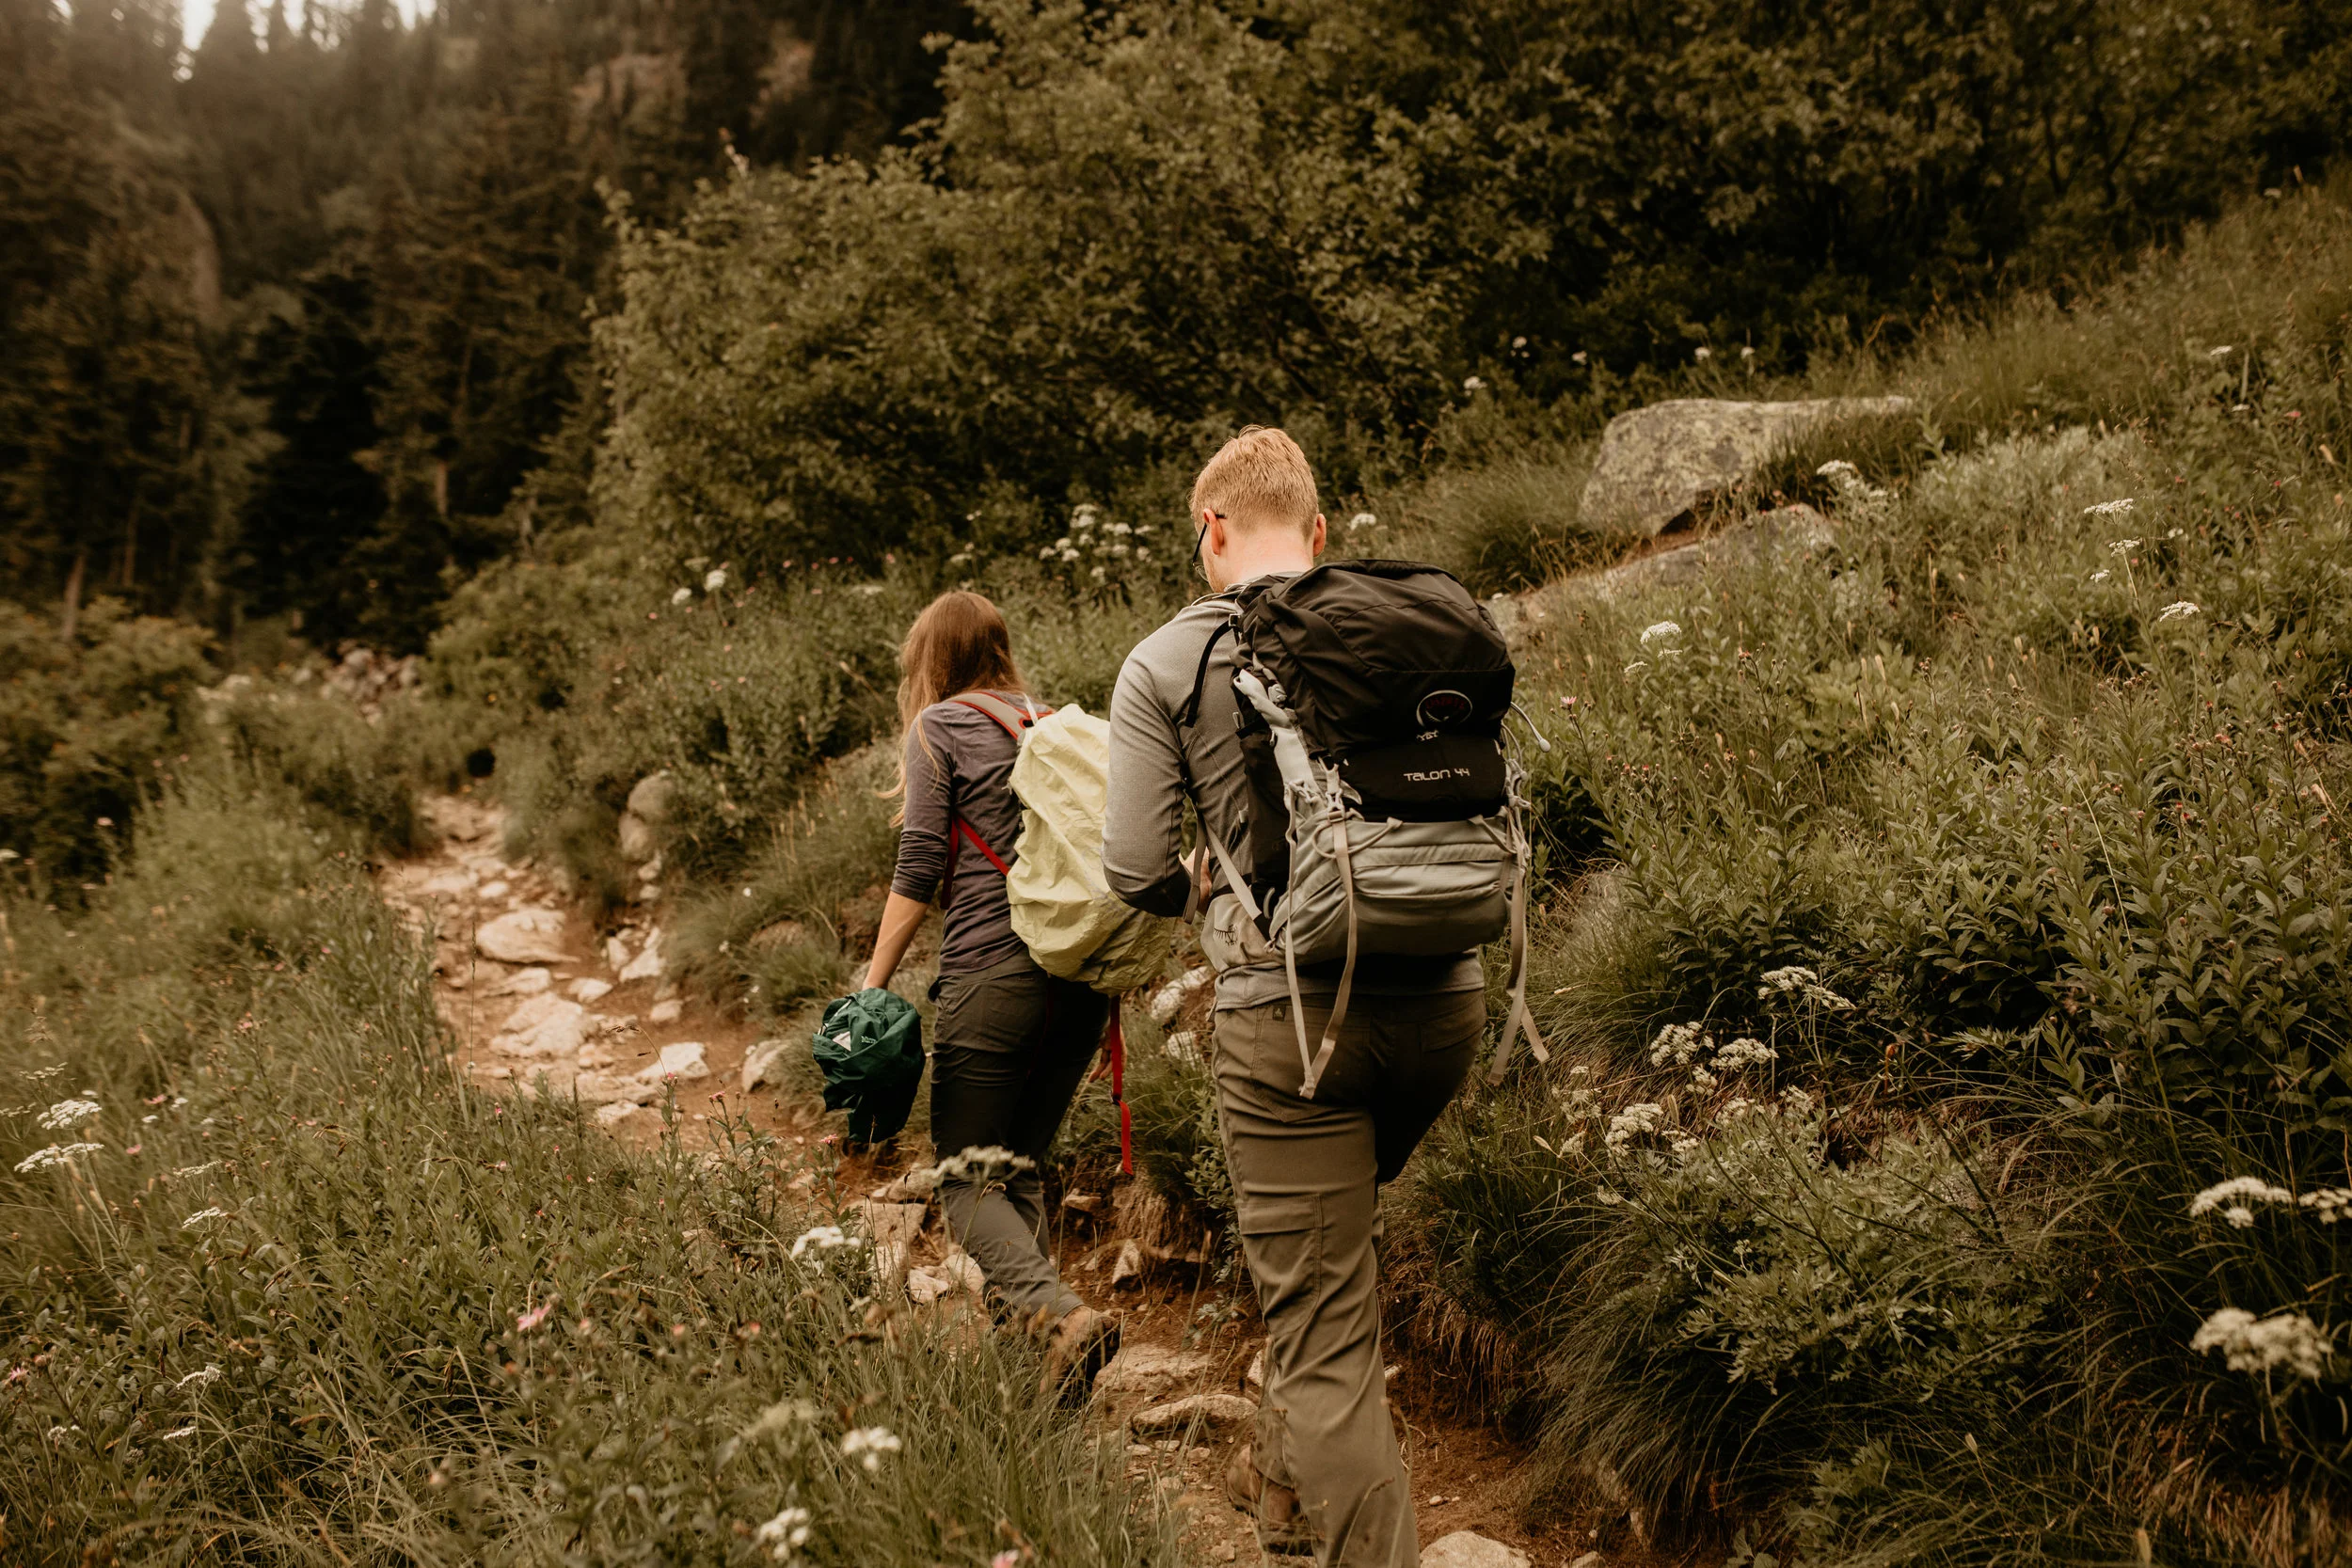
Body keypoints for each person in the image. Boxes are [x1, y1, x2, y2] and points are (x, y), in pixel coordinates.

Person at [1104, 429, 1486, 1565]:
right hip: (1449, 999)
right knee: (1321, 1272)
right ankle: (1280, 1508)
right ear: (1317, 534)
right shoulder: (1405, 619)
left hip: (1294, 1024)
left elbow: (1130, 867)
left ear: (1208, 533)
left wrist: (1208, 884)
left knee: (1325, 1336)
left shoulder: (1165, 660)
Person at [863, 590, 1121, 1398]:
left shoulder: (939, 727)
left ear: (932, 661)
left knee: (963, 1176)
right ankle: (1045, 1377)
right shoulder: (1052, 722)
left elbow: (916, 872)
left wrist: (868, 988)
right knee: (1017, 1170)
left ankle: (1057, 1313)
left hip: (990, 976)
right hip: (1078, 983)